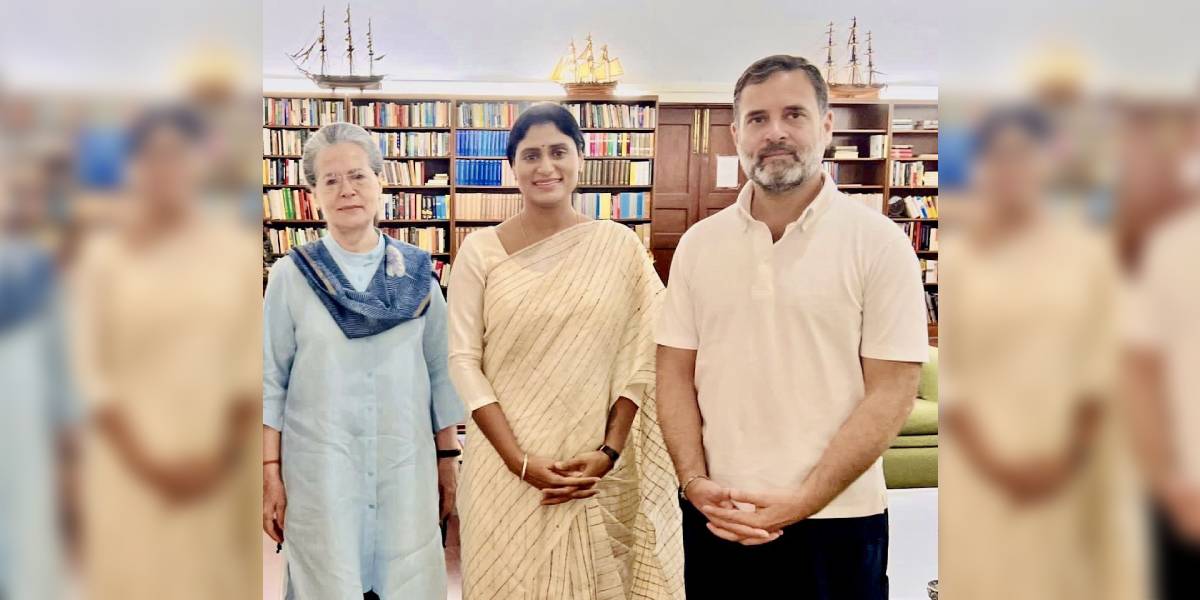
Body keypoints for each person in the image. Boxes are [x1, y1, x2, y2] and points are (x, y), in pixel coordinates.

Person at [655, 55, 928, 599]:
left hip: (838, 519)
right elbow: (673, 374)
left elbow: (893, 391)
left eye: (794, 114)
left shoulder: (879, 243)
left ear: (826, 126)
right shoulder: (699, 245)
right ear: (735, 135)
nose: (774, 132)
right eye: (757, 119)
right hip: (719, 515)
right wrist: (694, 483)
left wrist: (804, 500)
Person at [448, 103, 684, 599]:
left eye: (558, 151)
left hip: (593, 470)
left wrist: (609, 452)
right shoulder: (480, 251)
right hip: (502, 469)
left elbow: (643, 356)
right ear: (512, 167)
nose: (545, 166)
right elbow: (463, 362)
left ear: (580, 158)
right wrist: (518, 461)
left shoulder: (618, 247)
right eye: (530, 155)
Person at [938, 107, 1138, 600]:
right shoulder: (958, 259)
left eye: (1024, 156)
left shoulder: (1089, 254)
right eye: (998, 157)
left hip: (1074, 454)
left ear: (1049, 163)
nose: (1012, 170)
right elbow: (952, 375)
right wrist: (995, 463)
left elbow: (1103, 363)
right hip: (981, 458)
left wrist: (1067, 458)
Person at [261, 122, 464, 599]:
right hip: (321, 473)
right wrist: (269, 472)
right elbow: (270, 381)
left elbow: (441, 373)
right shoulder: (292, 276)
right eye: (330, 180)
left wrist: (448, 461)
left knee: (409, 583)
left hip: (405, 469)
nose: (346, 190)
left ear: (380, 182)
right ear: (313, 194)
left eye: (357, 176)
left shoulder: (419, 275)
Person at [71, 107, 261, 599]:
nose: (165, 169)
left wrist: (217, 459)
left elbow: (248, 363)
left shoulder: (235, 253)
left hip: (215, 457)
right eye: (151, 156)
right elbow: (89, 372)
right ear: (132, 166)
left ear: (201, 161)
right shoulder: (102, 258)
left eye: (177, 155)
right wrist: (149, 465)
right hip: (126, 460)